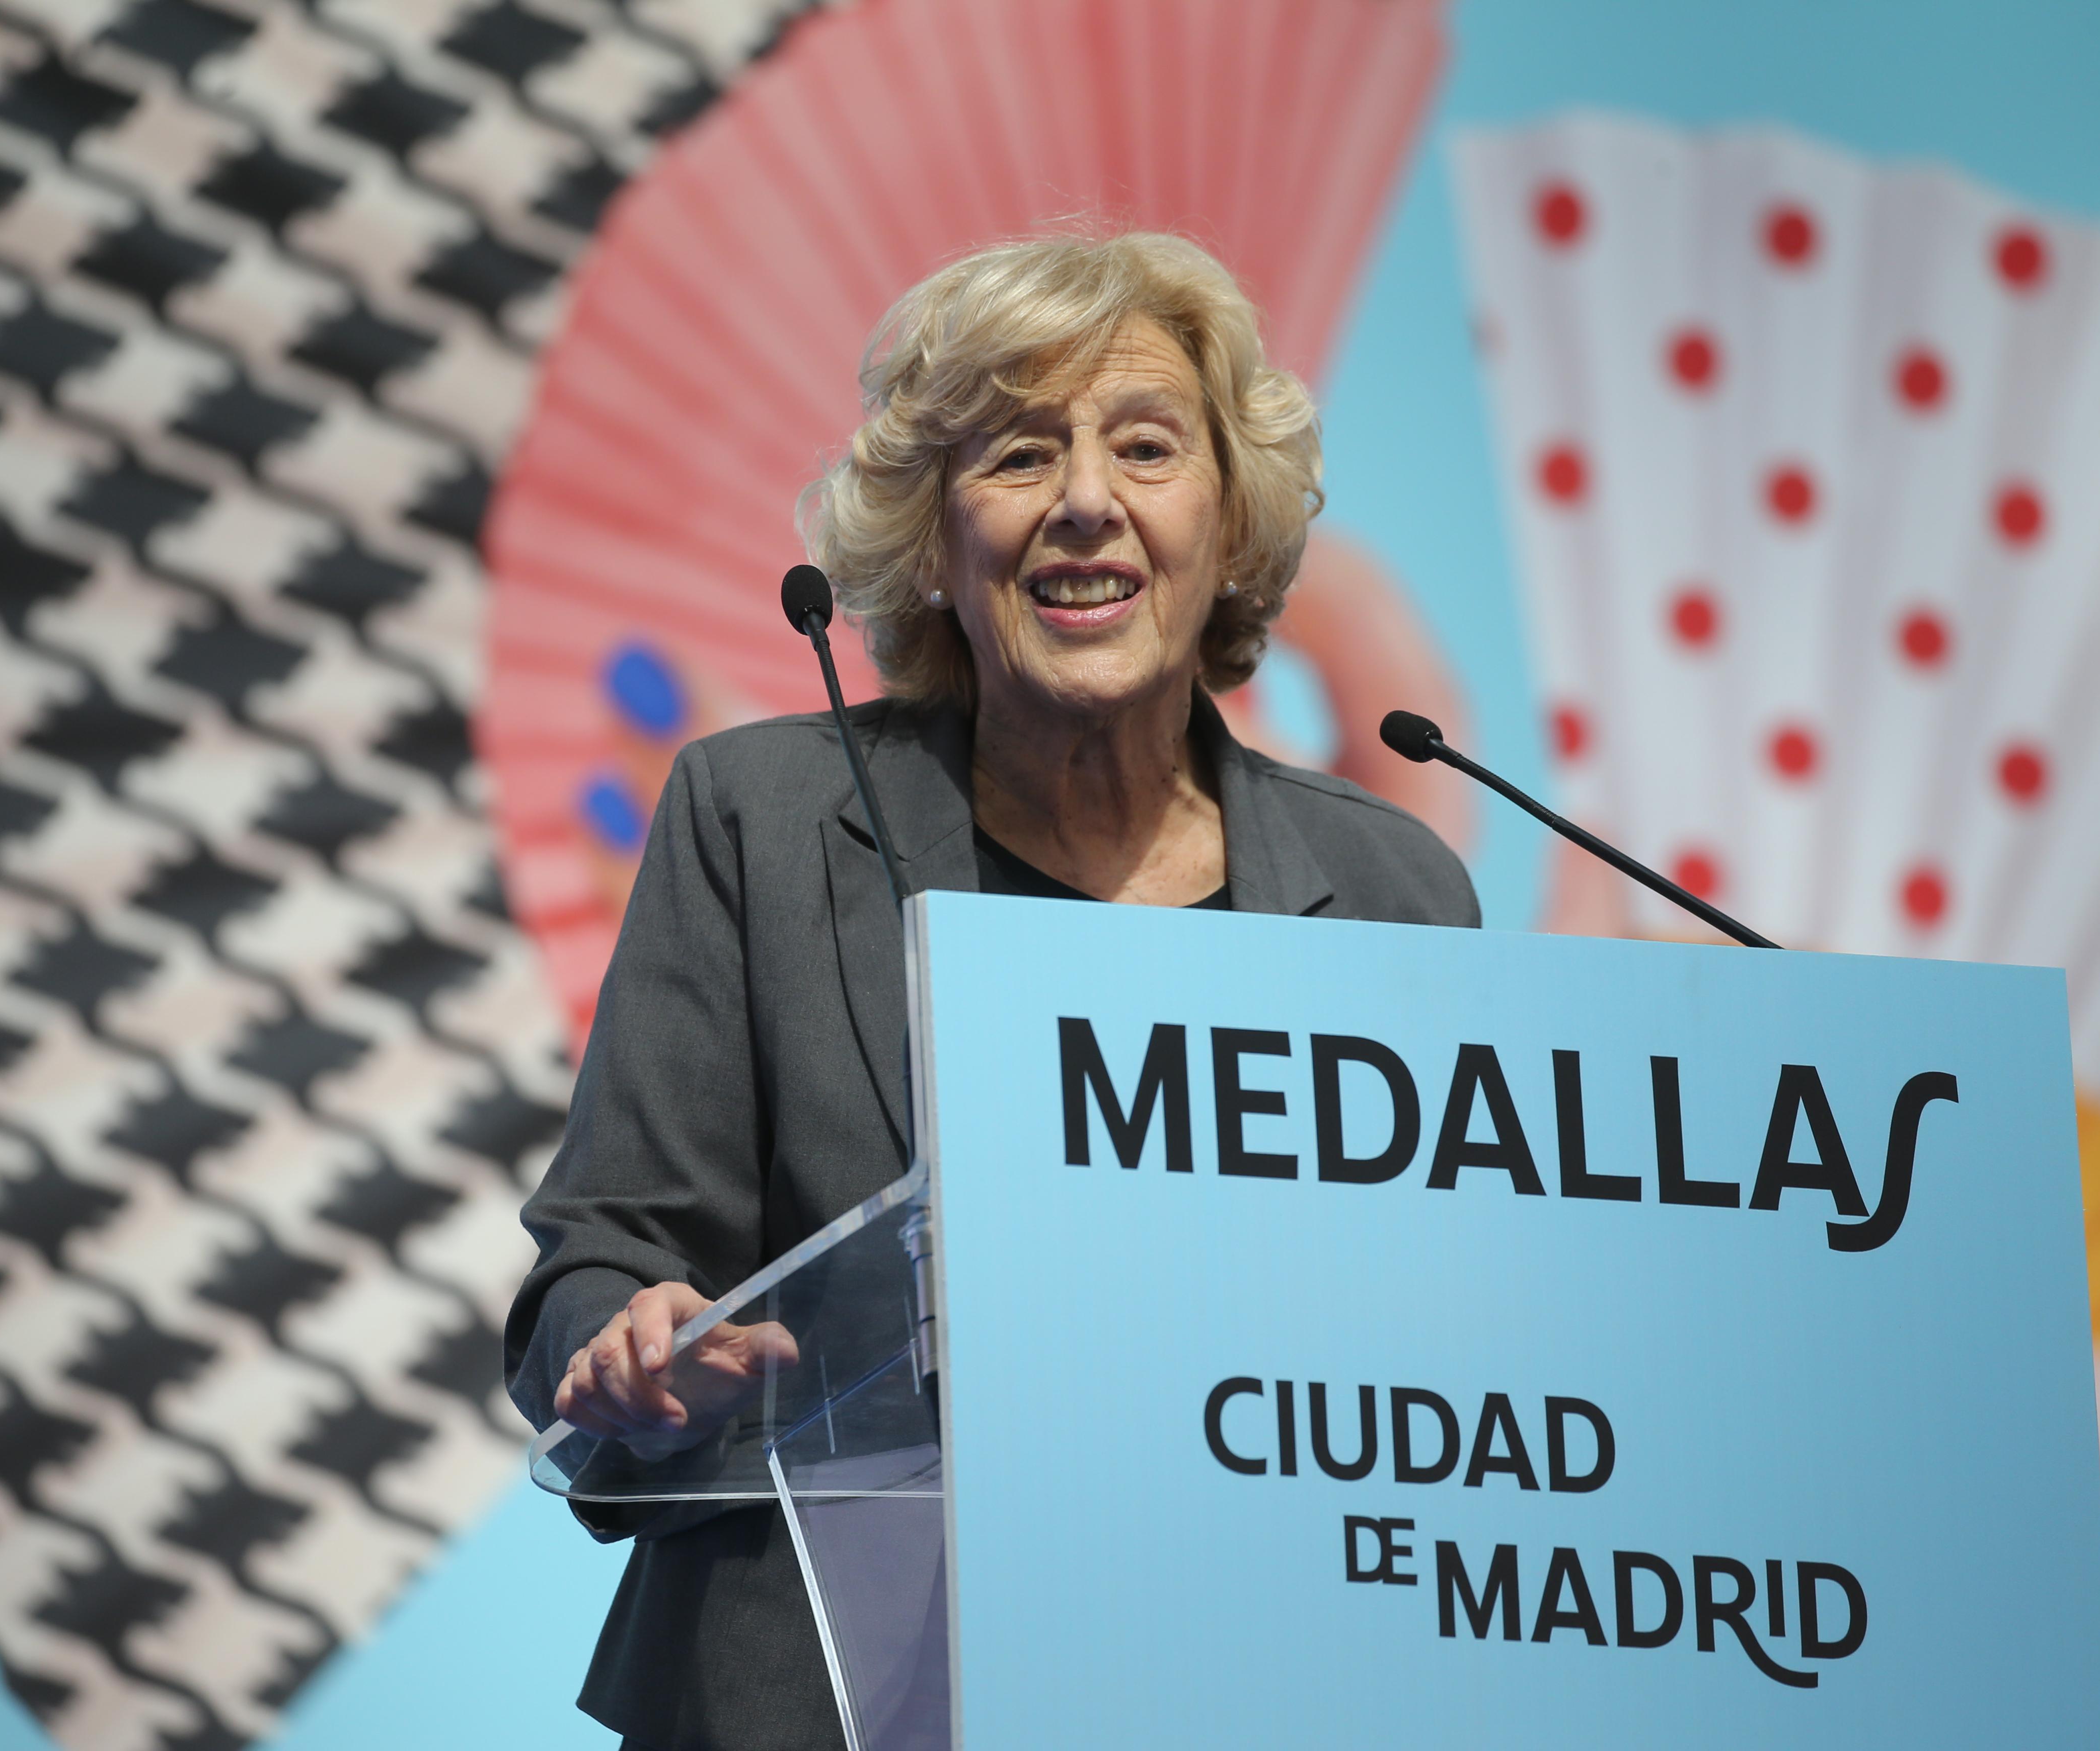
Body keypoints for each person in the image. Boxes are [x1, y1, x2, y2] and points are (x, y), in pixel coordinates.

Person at [504, 230, 1480, 1751]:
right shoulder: (757, 823)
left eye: (1146, 448)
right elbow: (603, 1256)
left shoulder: (1398, 898)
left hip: (1256, 1680)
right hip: (818, 1702)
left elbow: (1452, 1345)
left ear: (1226, 525)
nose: (1087, 500)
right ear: (938, 542)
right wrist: (630, 1343)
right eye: (1021, 454)